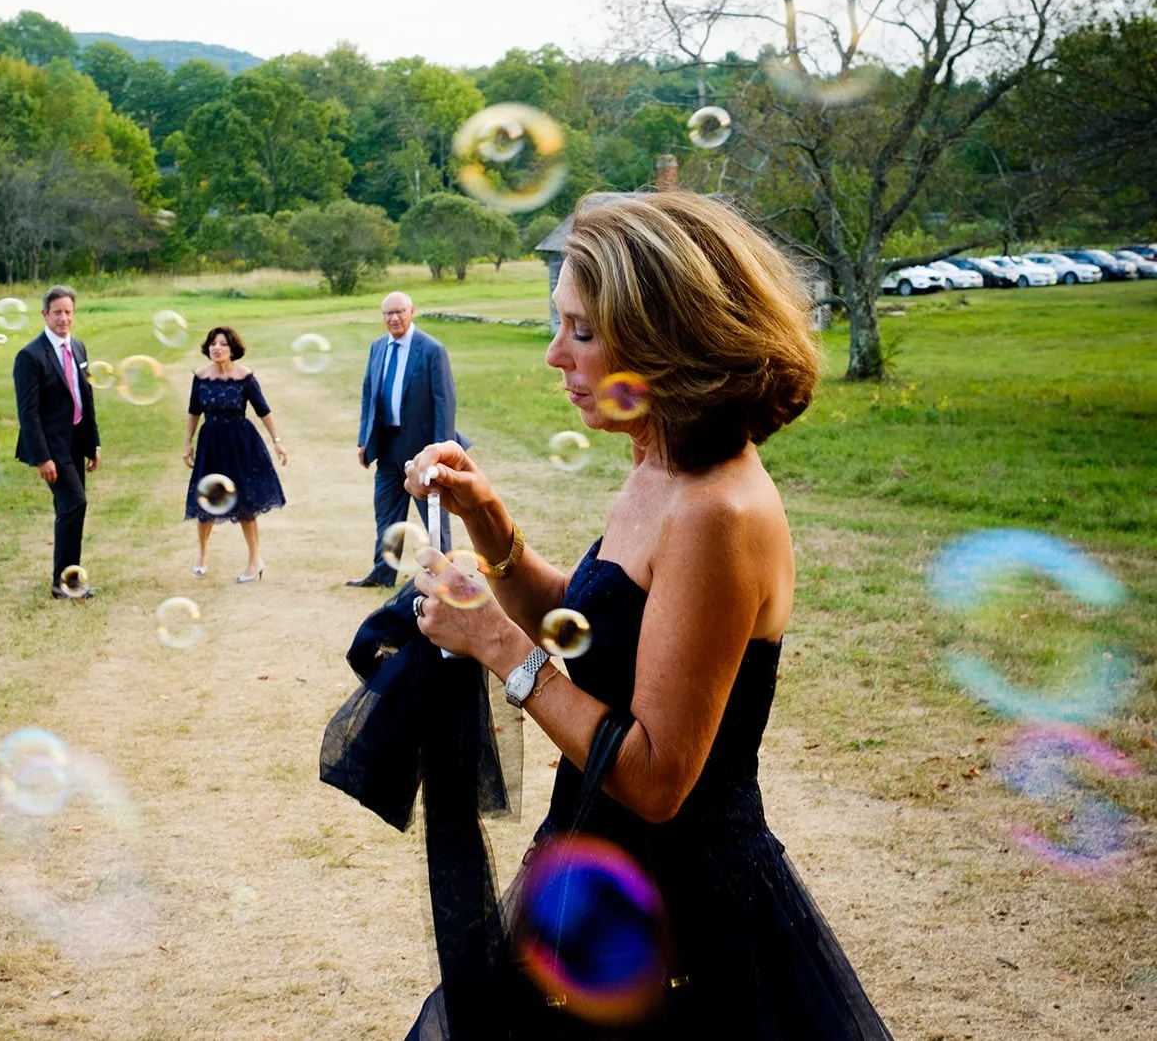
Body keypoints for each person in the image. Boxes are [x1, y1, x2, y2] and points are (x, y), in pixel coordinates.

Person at [402, 191, 892, 1037]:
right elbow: (591, 626)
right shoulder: (659, 464)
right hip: (601, 872)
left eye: (582, 331)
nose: (555, 354)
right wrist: (489, 521)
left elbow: (658, 778)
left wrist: (498, 645)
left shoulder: (715, 512)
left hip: (682, 911)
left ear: (664, 340)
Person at [347, 291, 465, 588]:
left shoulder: (431, 350)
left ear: (412, 312)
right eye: (388, 313)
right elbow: (368, 395)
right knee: (386, 514)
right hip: (387, 446)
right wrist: (364, 440)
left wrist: (441, 453)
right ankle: (382, 573)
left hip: (423, 449)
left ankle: (446, 576)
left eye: (400, 311)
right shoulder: (377, 347)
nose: (394, 318)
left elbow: (444, 403)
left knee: (434, 516)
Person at [13, 284, 102, 599]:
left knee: (68, 507)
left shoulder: (78, 347)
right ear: (45, 315)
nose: (63, 318)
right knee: (75, 503)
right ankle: (64, 582)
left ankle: (68, 577)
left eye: (68, 312)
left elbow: (86, 397)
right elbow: (28, 412)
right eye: (57, 313)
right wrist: (43, 457)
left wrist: (93, 444)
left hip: (76, 441)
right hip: (52, 446)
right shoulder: (30, 356)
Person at [182, 326, 288, 582]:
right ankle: (202, 554)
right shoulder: (201, 377)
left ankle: (255, 560)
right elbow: (194, 411)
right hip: (211, 443)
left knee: (245, 504)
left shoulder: (245, 377)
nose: (216, 348)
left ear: (233, 349)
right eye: (213, 344)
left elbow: (263, 410)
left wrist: (277, 441)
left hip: (240, 443)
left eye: (223, 344)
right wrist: (188, 443)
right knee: (206, 499)